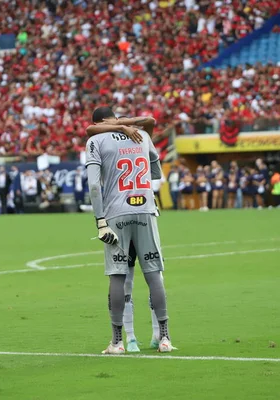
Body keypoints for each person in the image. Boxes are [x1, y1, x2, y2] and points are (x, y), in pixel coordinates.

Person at [85, 106, 174, 354]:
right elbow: (155, 171)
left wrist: (100, 220)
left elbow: (94, 185)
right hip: (146, 209)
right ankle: (165, 338)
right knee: (154, 273)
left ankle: (117, 342)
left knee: (118, 275)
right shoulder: (142, 136)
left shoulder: (95, 140)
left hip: (116, 212)